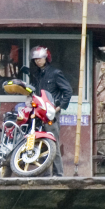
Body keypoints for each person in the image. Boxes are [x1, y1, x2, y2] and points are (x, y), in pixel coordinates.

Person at [29, 45, 73, 176]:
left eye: (40, 58)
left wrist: (57, 108)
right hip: (38, 112)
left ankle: (58, 174)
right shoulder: (36, 74)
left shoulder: (55, 73)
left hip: (50, 114)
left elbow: (68, 91)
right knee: (39, 143)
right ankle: (44, 175)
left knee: (52, 143)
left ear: (46, 58)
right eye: (35, 59)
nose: (38, 61)